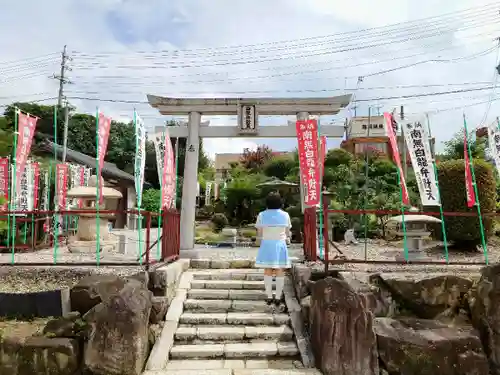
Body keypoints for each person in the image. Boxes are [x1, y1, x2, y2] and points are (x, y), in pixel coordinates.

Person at [254, 191, 292, 308]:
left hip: (267, 244)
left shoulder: (261, 215)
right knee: (280, 270)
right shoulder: (285, 215)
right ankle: (278, 296)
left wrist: (258, 241)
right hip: (280, 244)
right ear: (280, 202)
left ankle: (269, 296)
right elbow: (287, 232)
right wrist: (287, 239)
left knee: (268, 270)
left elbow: (259, 233)